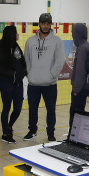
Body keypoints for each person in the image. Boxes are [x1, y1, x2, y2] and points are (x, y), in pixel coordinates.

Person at [24, 13, 65, 142]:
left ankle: (50, 132)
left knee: (51, 110)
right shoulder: (30, 41)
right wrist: (30, 74)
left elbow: (60, 60)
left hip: (50, 84)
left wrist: (52, 75)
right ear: (39, 24)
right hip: (33, 83)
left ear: (50, 24)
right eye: (43, 23)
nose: (45, 26)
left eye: (48, 24)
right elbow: (26, 59)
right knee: (32, 109)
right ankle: (32, 130)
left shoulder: (57, 41)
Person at [0, 24, 26, 144]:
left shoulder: (15, 45)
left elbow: (21, 61)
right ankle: (5, 133)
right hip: (6, 83)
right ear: (12, 34)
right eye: (16, 32)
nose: (18, 34)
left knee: (17, 108)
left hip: (18, 83)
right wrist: (13, 73)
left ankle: (9, 126)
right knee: (6, 107)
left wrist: (24, 71)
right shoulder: (1, 46)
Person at [69, 23, 89, 127]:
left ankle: (73, 134)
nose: (72, 36)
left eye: (73, 33)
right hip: (86, 86)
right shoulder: (87, 45)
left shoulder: (82, 48)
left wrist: (76, 90)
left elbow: (80, 71)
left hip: (80, 88)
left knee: (75, 114)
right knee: (80, 112)